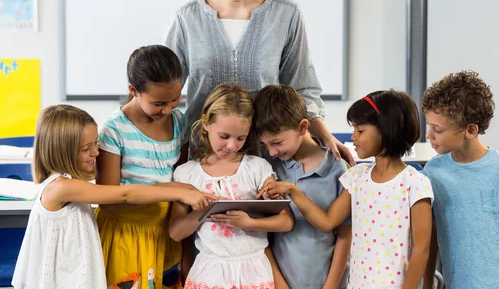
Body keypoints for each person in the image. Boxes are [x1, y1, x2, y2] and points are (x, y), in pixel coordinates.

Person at [164, 0, 352, 163]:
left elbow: (303, 88)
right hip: (203, 162)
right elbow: (163, 91)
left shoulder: (286, 14)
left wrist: (325, 136)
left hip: (269, 161)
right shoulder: (187, 18)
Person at [12, 105, 215, 289]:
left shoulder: (66, 184)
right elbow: (125, 194)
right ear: (62, 150)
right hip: (63, 279)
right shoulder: (60, 188)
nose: (96, 152)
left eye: (96, 143)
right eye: (86, 148)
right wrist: (177, 190)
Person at [261, 90, 434, 289]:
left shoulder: (416, 183)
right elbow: (326, 222)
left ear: (386, 130)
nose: (353, 137)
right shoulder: (356, 177)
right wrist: (293, 191)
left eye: (360, 131)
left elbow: (422, 250)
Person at [421, 71, 499, 289]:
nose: (429, 134)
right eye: (429, 125)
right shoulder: (432, 172)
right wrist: (428, 279)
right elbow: (431, 231)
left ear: (470, 130)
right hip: (457, 282)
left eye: (437, 129)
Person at [169, 83, 294, 289]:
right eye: (224, 136)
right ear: (206, 122)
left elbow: (286, 221)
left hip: (255, 270)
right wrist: (202, 212)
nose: (232, 146)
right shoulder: (187, 174)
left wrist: (249, 223)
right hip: (210, 272)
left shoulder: (257, 168)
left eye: (241, 138)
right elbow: (175, 233)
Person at [95, 45, 199, 289]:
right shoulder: (113, 129)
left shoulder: (179, 121)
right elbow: (108, 199)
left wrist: (185, 251)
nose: (168, 109)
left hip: (166, 234)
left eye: (176, 100)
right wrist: (171, 191)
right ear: (133, 90)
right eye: (159, 103)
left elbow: (181, 181)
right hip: (125, 235)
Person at [253, 84, 351, 289]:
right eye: (265, 145)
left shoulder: (338, 170)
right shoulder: (268, 169)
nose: (271, 152)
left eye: (277, 143)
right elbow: (262, 238)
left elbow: (345, 236)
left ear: (303, 127)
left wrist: (330, 287)